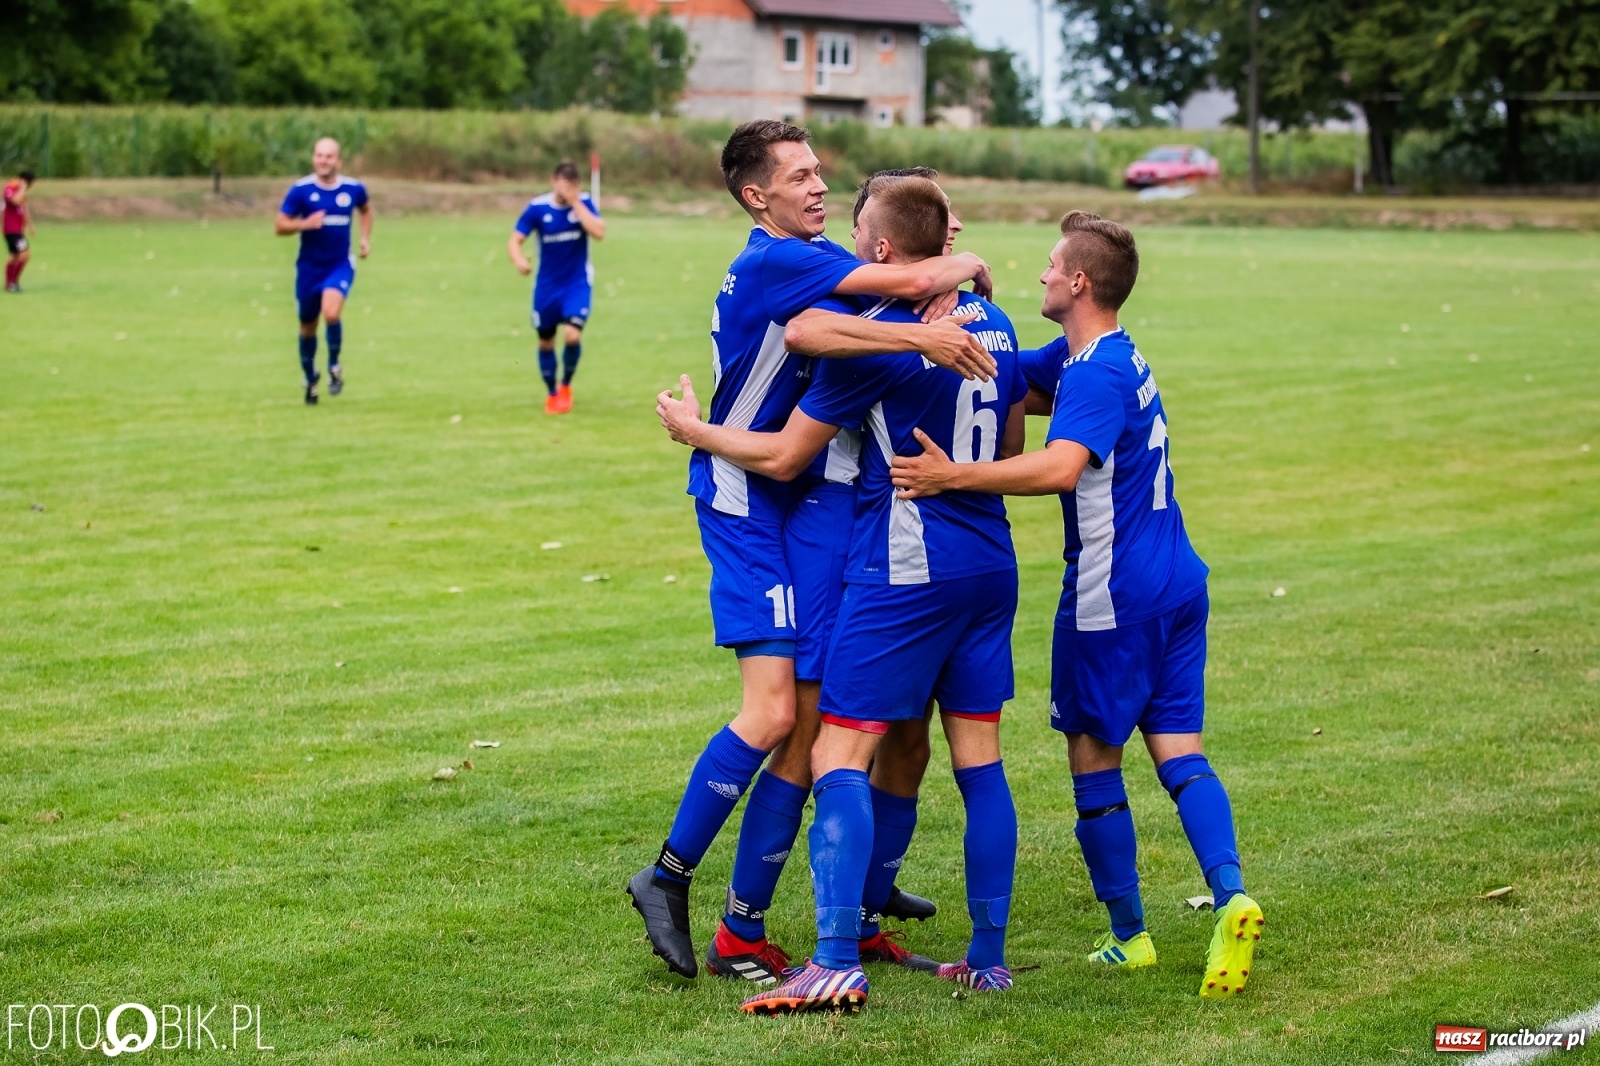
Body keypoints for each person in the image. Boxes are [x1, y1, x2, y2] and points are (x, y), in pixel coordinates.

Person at [625, 120, 998, 984]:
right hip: (746, 493)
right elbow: (825, 332)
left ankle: (800, 915)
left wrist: (951, 280)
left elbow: (873, 300)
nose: (817, 185)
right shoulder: (776, 259)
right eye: (799, 176)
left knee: (817, 719)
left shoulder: (810, 257)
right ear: (757, 196)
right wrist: (946, 295)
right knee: (777, 717)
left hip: (791, 501)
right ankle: (671, 879)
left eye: (819, 171)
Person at [890, 210, 1264, 998]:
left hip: (1113, 591)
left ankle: (1130, 936)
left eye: (1053, 265)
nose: (1043, 275)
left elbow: (1060, 468)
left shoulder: (1089, 375)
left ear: (1080, 282)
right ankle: (1231, 893)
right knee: (1178, 750)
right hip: (1178, 580)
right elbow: (1004, 376)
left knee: (1093, 758)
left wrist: (950, 476)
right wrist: (955, 306)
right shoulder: (1105, 355)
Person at [275, 138, 371, 405]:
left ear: (338, 161)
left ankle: (334, 366)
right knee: (307, 327)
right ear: (313, 159)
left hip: (339, 265)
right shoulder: (301, 190)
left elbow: (366, 209)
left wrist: (365, 239)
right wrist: (304, 224)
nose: (323, 160)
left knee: (331, 312)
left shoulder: (353, 188)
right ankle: (310, 378)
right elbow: (279, 225)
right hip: (309, 269)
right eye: (319, 155)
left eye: (329, 156)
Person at [509, 161, 604, 414]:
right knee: (546, 343)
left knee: (572, 335)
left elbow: (598, 232)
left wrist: (575, 202)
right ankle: (551, 392)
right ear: (553, 182)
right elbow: (515, 240)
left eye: (571, 187)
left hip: (576, 283)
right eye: (562, 186)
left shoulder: (583, 203)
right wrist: (519, 260)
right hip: (547, 286)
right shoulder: (537, 208)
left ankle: (565, 387)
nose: (565, 191)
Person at [3, 170, 35, 294]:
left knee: (14, 256)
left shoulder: (21, 190)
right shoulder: (11, 187)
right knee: (24, 254)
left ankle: (10, 283)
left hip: (17, 229)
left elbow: (23, 208)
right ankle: (12, 282)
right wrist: (22, 188)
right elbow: (15, 201)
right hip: (11, 229)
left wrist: (30, 225)